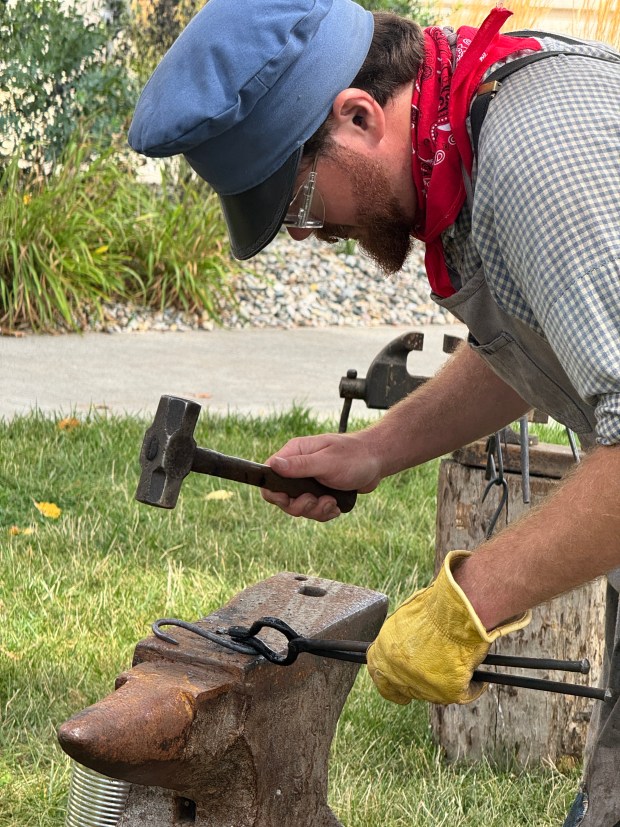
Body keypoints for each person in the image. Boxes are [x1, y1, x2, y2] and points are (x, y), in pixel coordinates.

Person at [127, 1, 620, 823]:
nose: (315, 236)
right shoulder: (471, 127)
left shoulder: (539, 161)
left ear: (357, 115)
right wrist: (376, 449)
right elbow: (538, 335)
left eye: (305, 207)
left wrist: (476, 596)